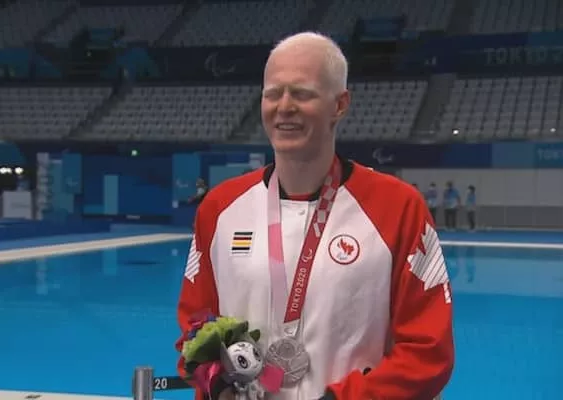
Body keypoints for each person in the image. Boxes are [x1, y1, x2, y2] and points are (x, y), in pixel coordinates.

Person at [176, 32, 454, 400]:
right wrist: (216, 381)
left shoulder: (398, 208)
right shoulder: (219, 207)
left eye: (302, 93)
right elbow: (195, 328)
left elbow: (428, 351)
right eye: (273, 93)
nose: (284, 106)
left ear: (340, 105)